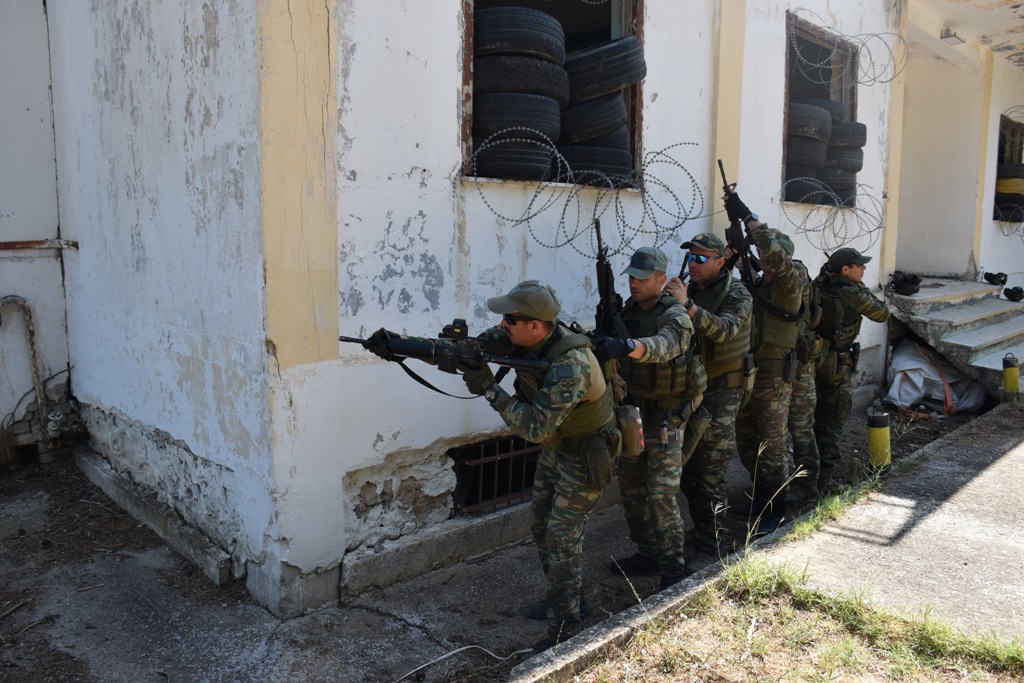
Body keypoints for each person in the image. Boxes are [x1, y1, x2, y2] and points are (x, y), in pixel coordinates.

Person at [367, 280, 621, 652]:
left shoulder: (572, 364)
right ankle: (566, 599)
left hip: (587, 453)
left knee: (562, 536)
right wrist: (403, 345)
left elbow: (533, 427)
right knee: (540, 524)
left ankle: (565, 631)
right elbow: (468, 350)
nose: (503, 324)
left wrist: (488, 387)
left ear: (535, 325)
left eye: (510, 319)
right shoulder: (516, 336)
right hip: (558, 445)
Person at [592, 247, 706, 589]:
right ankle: (648, 554)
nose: (635, 284)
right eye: (631, 277)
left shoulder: (674, 314)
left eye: (642, 279)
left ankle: (672, 570)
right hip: (633, 416)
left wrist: (627, 346)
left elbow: (666, 345)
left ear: (661, 278)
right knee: (632, 491)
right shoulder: (625, 311)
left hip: (668, 418)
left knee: (661, 495)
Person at [664, 232, 752, 574]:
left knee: (710, 472)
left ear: (720, 261)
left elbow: (725, 330)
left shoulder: (738, 293)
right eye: (691, 258)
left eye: (702, 259)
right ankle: (701, 528)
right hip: (691, 389)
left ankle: (710, 544)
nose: (694, 265)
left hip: (723, 392)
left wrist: (687, 305)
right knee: (685, 469)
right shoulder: (691, 289)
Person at [725, 193, 803, 536]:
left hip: (774, 377)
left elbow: (773, 254)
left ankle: (776, 508)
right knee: (746, 440)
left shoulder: (791, 282)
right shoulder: (759, 282)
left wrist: (749, 218)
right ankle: (761, 498)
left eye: (770, 255)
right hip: (749, 372)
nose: (764, 259)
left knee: (772, 445)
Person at [813, 248, 890, 492]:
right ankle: (822, 482)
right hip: (837, 363)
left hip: (813, 360)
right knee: (833, 418)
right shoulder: (852, 293)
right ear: (845, 269)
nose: (864, 269)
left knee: (810, 419)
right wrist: (861, 288)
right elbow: (881, 313)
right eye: (859, 266)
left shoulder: (819, 284)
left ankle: (804, 472)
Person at [785, 237, 825, 504]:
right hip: (780, 365)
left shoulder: (796, 271)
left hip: (800, 366)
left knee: (800, 429)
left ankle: (808, 485)